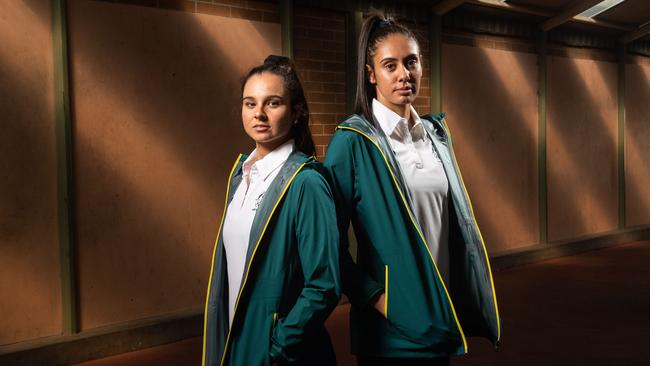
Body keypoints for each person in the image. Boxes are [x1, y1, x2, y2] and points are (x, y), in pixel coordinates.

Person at [323, 14, 501, 366]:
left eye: (411, 62)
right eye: (390, 65)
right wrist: (379, 299)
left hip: (438, 319)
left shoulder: (437, 135)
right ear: (371, 74)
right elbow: (330, 245)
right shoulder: (351, 142)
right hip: (389, 332)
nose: (404, 74)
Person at [202, 55, 341, 366]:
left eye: (273, 103)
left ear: (296, 112)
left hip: (277, 351)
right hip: (238, 341)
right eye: (250, 103)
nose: (259, 114)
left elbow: (324, 284)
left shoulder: (307, 182)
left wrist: (278, 343)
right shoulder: (240, 175)